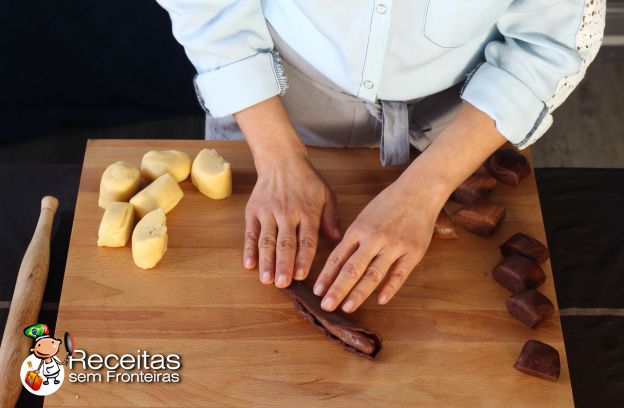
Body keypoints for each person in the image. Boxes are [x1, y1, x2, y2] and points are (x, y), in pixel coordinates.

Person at [156, 1, 605, 313]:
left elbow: (550, 42)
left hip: (465, 118)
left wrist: (426, 189)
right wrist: (277, 158)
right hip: (273, 96)